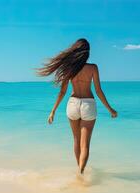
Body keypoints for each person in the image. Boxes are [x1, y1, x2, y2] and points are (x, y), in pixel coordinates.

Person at [36, 38, 117, 174]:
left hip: (73, 104)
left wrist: (53, 111)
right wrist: (110, 109)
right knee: (85, 145)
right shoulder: (93, 68)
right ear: (87, 53)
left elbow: (62, 92)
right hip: (88, 105)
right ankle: (81, 172)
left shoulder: (69, 69)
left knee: (76, 140)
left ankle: (78, 171)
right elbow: (98, 91)